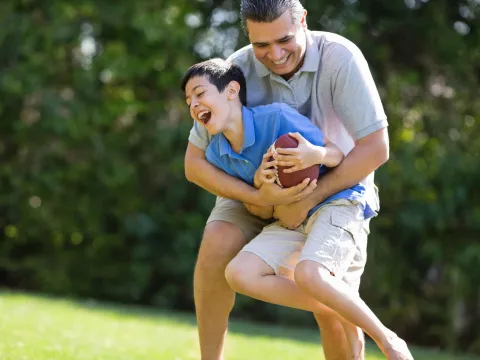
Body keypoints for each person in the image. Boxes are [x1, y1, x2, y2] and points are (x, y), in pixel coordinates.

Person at [184, 1, 397, 359]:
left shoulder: (340, 58)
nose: (275, 54)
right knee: (216, 245)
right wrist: (260, 196)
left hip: (334, 189)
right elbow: (194, 163)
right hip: (257, 187)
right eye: (261, 45)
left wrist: (306, 200)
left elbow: (376, 149)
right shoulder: (233, 72)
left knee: (327, 311)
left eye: (284, 40)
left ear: (303, 21)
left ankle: (348, 315)